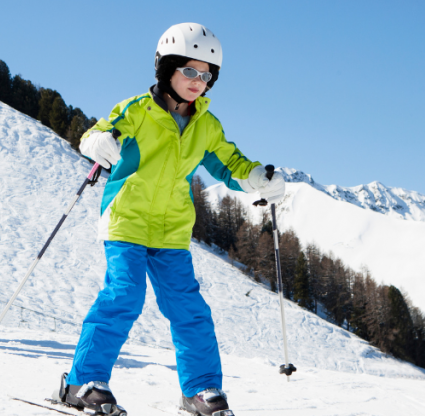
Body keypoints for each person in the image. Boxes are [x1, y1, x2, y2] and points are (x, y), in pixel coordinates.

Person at [54, 23, 286, 416]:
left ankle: (199, 390)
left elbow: (230, 163)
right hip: (126, 218)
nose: (199, 81)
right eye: (190, 71)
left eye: (207, 74)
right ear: (166, 69)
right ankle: (82, 382)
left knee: (189, 309)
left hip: (173, 229)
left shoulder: (206, 125)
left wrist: (258, 179)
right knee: (123, 296)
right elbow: (101, 131)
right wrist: (97, 141)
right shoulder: (137, 110)